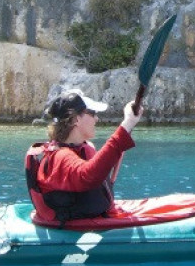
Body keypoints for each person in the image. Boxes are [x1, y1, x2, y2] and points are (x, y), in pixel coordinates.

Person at [25, 89, 142, 226]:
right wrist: (127, 123)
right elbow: (89, 175)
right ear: (75, 119)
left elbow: (101, 165)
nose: (97, 119)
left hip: (97, 216)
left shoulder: (84, 148)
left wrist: (128, 126)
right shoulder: (60, 157)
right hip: (73, 229)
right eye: (92, 113)